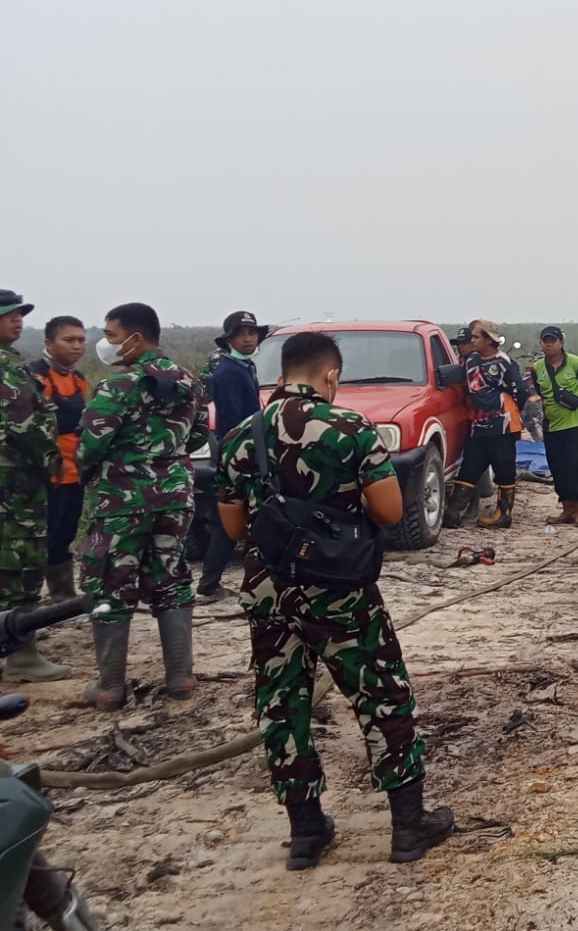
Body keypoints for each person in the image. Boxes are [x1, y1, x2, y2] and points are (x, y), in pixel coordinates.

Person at [216, 331, 454, 870]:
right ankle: (408, 829)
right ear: (330, 376)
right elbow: (391, 513)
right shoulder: (350, 430)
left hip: (270, 591)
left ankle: (305, 834)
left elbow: (233, 526)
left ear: (283, 372)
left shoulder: (237, 437)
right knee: (382, 696)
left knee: (283, 704)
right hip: (340, 591)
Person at [77, 302, 208, 708]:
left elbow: (90, 445)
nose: (107, 344)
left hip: (122, 499)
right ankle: (181, 678)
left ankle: (110, 686)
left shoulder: (118, 386)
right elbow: (199, 433)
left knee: (111, 582)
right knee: (170, 576)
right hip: (176, 496)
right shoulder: (190, 381)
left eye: (111, 335)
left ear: (136, 338)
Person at [0, 289, 72, 682]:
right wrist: (51, 460)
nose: (17, 320)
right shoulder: (7, 368)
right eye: (9, 315)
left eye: (20, 314)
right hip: (16, 484)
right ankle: (22, 655)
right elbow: (23, 424)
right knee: (21, 561)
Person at [196, 310, 269, 603]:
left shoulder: (245, 368)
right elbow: (233, 424)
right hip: (238, 455)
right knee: (235, 521)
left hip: (245, 452)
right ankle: (209, 584)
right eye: (241, 333)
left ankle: (213, 583)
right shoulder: (227, 373)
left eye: (252, 332)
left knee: (240, 520)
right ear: (229, 340)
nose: (248, 338)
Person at [444, 319, 530, 530]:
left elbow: (520, 391)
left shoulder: (504, 363)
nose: (471, 341)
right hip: (479, 424)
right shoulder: (471, 361)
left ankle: (503, 514)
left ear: (489, 340)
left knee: (504, 469)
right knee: (469, 467)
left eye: (475, 336)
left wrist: (506, 411)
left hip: (502, 425)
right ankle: (452, 513)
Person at [30, 316, 90, 603]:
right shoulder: (36, 377)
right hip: (47, 475)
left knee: (66, 533)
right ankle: (28, 597)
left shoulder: (78, 380)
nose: (77, 346)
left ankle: (63, 595)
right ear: (49, 343)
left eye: (80, 339)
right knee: (46, 536)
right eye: (69, 340)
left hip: (74, 472)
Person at [531, 326, 578, 526]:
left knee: (575, 466)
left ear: (561, 343)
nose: (548, 344)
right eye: (545, 341)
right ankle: (566, 509)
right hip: (551, 426)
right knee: (557, 468)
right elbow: (540, 393)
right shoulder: (537, 368)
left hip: (574, 425)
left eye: (552, 340)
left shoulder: (577, 364)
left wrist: (576, 410)